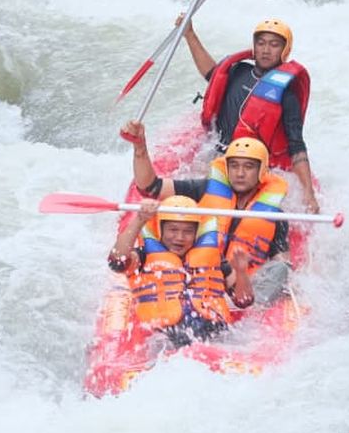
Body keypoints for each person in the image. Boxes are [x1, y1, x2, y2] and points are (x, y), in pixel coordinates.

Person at [121, 122, 294, 305]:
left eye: (248, 167)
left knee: (281, 269)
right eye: (234, 166)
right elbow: (150, 187)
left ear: (261, 171)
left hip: (243, 287)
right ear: (226, 168)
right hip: (203, 277)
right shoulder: (203, 190)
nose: (240, 173)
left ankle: (251, 307)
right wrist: (140, 148)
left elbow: (281, 262)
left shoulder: (275, 216)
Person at [181, 16, 320, 215]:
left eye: (274, 45)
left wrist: (309, 192)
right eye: (261, 43)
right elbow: (212, 74)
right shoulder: (238, 71)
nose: (266, 50)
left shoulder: (287, 95)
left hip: (250, 166)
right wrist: (189, 34)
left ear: (285, 50)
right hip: (217, 152)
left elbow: (296, 145)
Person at [108, 195, 254, 347]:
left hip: (214, 334)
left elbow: (244, 301)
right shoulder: (143, 256)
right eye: (173, 230)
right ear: (160, 230)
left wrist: (241, 272)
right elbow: (117, 261)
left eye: (188, 231)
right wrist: (139, 220)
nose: (179, 237)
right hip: (163, 337)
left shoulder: (214, 259)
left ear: (196, 233)